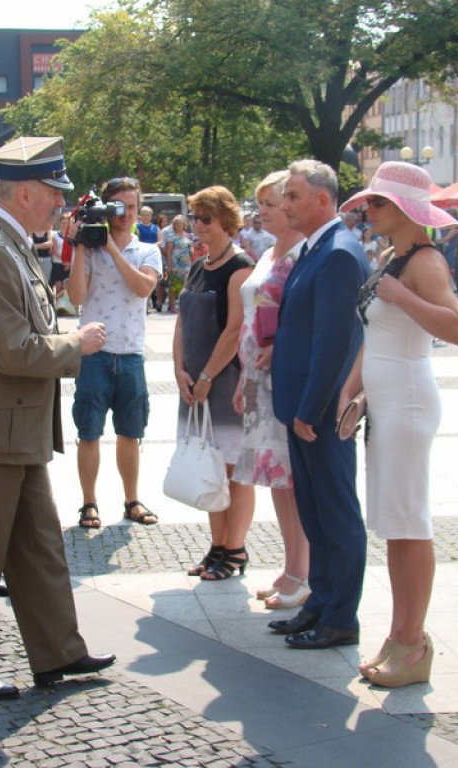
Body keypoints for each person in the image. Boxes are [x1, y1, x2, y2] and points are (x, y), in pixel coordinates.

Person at [0, 135, 115, 700]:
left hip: (9, 429)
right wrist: (76, 344)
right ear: (26, 193)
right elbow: (10, 351)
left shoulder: (5, 244)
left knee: (38, 547)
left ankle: (59, 649)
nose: (61, 203)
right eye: (54, 192)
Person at [338, 162, 458, 686]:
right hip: (387, 400)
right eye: (369, 202)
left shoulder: (425, 260)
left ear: (406, 209)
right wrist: (352, 388)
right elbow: (376, 336)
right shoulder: (392, 257)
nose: (368, 210)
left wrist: (404, 297)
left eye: (378, 202)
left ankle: (413, 644)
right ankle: (399, 636)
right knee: (395, 524)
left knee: (409, 523)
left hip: (409, 401)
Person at [268, 159, 368, 650]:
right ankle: (321, 604)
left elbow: (334, 343)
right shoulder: (317, 248)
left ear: (322, 200)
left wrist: (310, 408)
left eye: (292, 196)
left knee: (336, 513)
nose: (284, 204)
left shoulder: (339, 254)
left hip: (322, 413)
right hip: (303, 408)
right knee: (314, 511)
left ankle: (341, 617)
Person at [64, 177, 162, 529]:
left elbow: (143, 288)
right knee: (88, 432)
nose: (126, 214)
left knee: (130, 433)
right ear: (105, 209)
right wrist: (79, 245)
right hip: (94, 354)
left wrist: (111, 250)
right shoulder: (90, 251)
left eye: (132, 207)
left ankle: (131, 500)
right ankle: (88, 503)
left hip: (131, 353)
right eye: (119, 206)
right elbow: (76, 297)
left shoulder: (147, 250)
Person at [232, 172, 309, 609]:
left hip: (284, 376)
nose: (261, 211)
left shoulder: (302, 253)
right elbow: (250, 317)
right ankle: (291, 565)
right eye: (259, 203)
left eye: (270, 203)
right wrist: (243, 376)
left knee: (293, 478)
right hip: (258, 377)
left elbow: (305, 318)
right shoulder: (267, 253)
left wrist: (278, 348)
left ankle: (303, 570)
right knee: (277, 478)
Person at [175, 186, 256, 581]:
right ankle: (217, 545)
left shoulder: (240, 267)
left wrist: (207, 375)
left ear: (226, 220)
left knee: (234, 470)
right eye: (195, 218)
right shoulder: (198, 266)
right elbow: (181, 322)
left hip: (225, 382)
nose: (198, 225)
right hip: (194, 383)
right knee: (210, 465)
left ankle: (234, 548)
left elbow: (235, 329)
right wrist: (179, 370)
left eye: (206, 219)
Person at [162, 214, 192, 313]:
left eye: (180, 223)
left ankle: (183, 305)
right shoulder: (171, 236)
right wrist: (169, 266)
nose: (179, 225)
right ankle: (172, 306)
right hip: (175, 263)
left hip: (186, 263)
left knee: (185, 285)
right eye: (176, 223)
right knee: (173, 285)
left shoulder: (187, 236)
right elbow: (168, 252)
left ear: (184, 225)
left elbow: (190, 251)